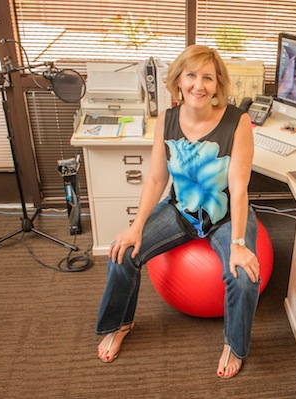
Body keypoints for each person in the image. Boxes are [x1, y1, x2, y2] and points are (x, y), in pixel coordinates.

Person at [95, 44, 261, 379]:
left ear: (218, 85)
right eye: (191, 75)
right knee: (124, 252)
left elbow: (240, 187)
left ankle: (234, 343)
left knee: (243, 278)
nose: (199, 85)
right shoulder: (167, 120)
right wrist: (136, 225)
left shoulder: (237, 122)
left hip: (227, 216)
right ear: (179, 80)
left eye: (208, 78)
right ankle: (120, 322)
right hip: (181, 210)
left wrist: (239, 243)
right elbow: (157, 178)